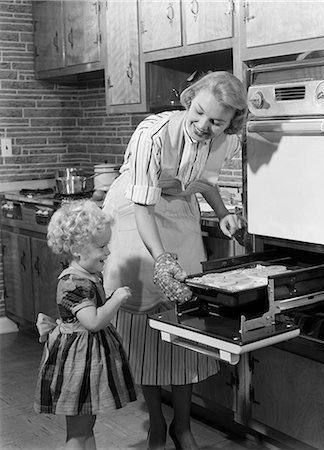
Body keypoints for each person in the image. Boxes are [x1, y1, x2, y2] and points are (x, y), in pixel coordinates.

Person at [102, 71, 247, 450]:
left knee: (184, 315)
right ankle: (156, 423)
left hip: (179, 210)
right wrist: (160, 257)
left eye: (216, 121)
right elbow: (142, 205)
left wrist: (223, 213)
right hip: (137, 215)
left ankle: (182, 426)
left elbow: (205, 181)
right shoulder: (152, 133)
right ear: (190, 98)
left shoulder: (225, 141)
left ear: (232, 122)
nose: (203, 126)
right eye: (198, 113)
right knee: (143, 318)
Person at [33, 199, 137, 450]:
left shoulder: (87, 275)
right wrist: (117, 299)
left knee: (85, 427)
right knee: (79, 432)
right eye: (102, 246)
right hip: (79, 363)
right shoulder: (73, 282)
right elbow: (93, 322)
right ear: (78, 249)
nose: (108, 252)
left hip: (87, 359)